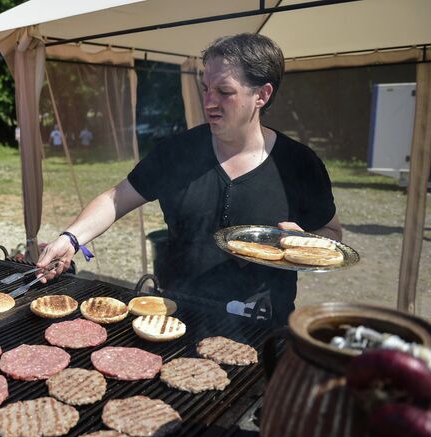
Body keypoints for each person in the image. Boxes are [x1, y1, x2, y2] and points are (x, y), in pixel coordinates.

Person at [36, 33, 342, 324]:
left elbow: (331, 232)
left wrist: (309, 242)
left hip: (264, 324)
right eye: (206, 88)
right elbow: (116, 198)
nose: (209, 101)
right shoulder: (177, 152)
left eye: (224, 92)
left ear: (262, 94)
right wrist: (71, 238)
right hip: (176, 316)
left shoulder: (299, 164)